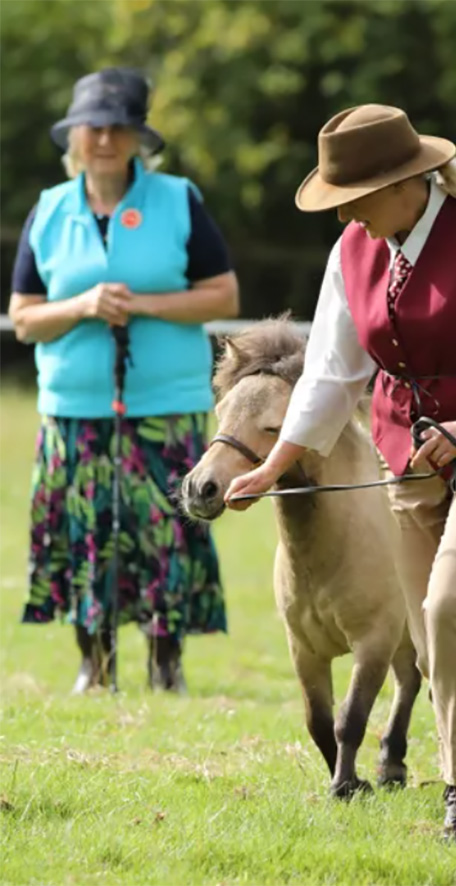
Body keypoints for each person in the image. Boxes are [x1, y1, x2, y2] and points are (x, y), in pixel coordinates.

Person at [224, 105, 456, 836]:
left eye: (352, 199)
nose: (344, 217)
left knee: (452, 601)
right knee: (427, 631)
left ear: (407, 182)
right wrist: (274, 466)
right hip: (407, 460)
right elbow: (331, 374)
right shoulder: (355, 251)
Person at [9, 67, 239, 694]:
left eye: (118, 127)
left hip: (166, 404)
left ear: (140, 138)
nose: (105, 139)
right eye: (93, 128)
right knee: (85, 532)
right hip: (73, 409)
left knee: (166, 532)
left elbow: (222, 293)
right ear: (75, 138)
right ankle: (95, 662)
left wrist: (141, 303)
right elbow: (25, 317)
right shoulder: (50, 209)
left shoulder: (177, 198)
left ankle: (167, 666)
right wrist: (84, 305)